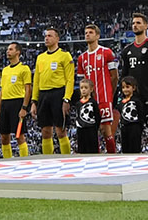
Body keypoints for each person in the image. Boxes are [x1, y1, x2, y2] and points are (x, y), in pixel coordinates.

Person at [122, 15, 148, 141]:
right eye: (134, 23)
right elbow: (125, 74)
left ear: (146, 26)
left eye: (138, 23)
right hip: (133, 98)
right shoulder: (127, 50)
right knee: (134, 132)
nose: (135, 25)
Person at [33, 28, 77, 155]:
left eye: (50, 36)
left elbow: (70, 79)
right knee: (45, 131)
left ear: (57, 39)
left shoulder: (64, 55)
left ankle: (66, 159)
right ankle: (47, 160)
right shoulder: (40, 58)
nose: (46, 38)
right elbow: (36, 80)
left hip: (58, 94)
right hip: (43, 95)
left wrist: (67, 98)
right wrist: (34, 101)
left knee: (60, 130)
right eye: (45, 36)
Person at [75, 24, 118, 153]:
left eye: (91, 32)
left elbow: (114, 76)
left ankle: (112, 157)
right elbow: (82, 80)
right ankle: (95, 157)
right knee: (91, 130)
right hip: (89, 100)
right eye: (86, 32)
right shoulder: (82, 58)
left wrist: (110, 94)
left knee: (106, 130)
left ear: (98, 36)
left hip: (104, 97)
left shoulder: (107, 53)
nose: (87, 34)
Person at [0, 42, 33, 158]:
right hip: (5, 103)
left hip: (17, 102)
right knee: (4, 136)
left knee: (19, 135)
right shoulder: (5, 70)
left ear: (18, 52)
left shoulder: (24, 69)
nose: (8, 51)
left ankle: (24, 160)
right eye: (8, 49)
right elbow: (2, 90)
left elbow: (28, 89)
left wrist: (24, 108)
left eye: (11, 49)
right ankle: (7, 161)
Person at [116, 75, 145, 154]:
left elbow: (141, 114)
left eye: (127, 87)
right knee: (125, 148)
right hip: (124, 127)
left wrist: (140, 127)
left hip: (134, 127)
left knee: (134, 148)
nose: (125, 89)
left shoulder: (136, 101)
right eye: (123, 87)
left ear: (134, 88)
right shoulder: (121, 102)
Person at [72, 78, 102, 154]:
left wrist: (95, 127)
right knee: (82, 148)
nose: (83, 90)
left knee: (92, 149)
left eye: (86, 88)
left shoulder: (93, 102)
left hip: (91, 129)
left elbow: (97, 116)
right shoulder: (78, 103)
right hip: (81, 129)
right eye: (81, 88)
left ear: (91, 89)